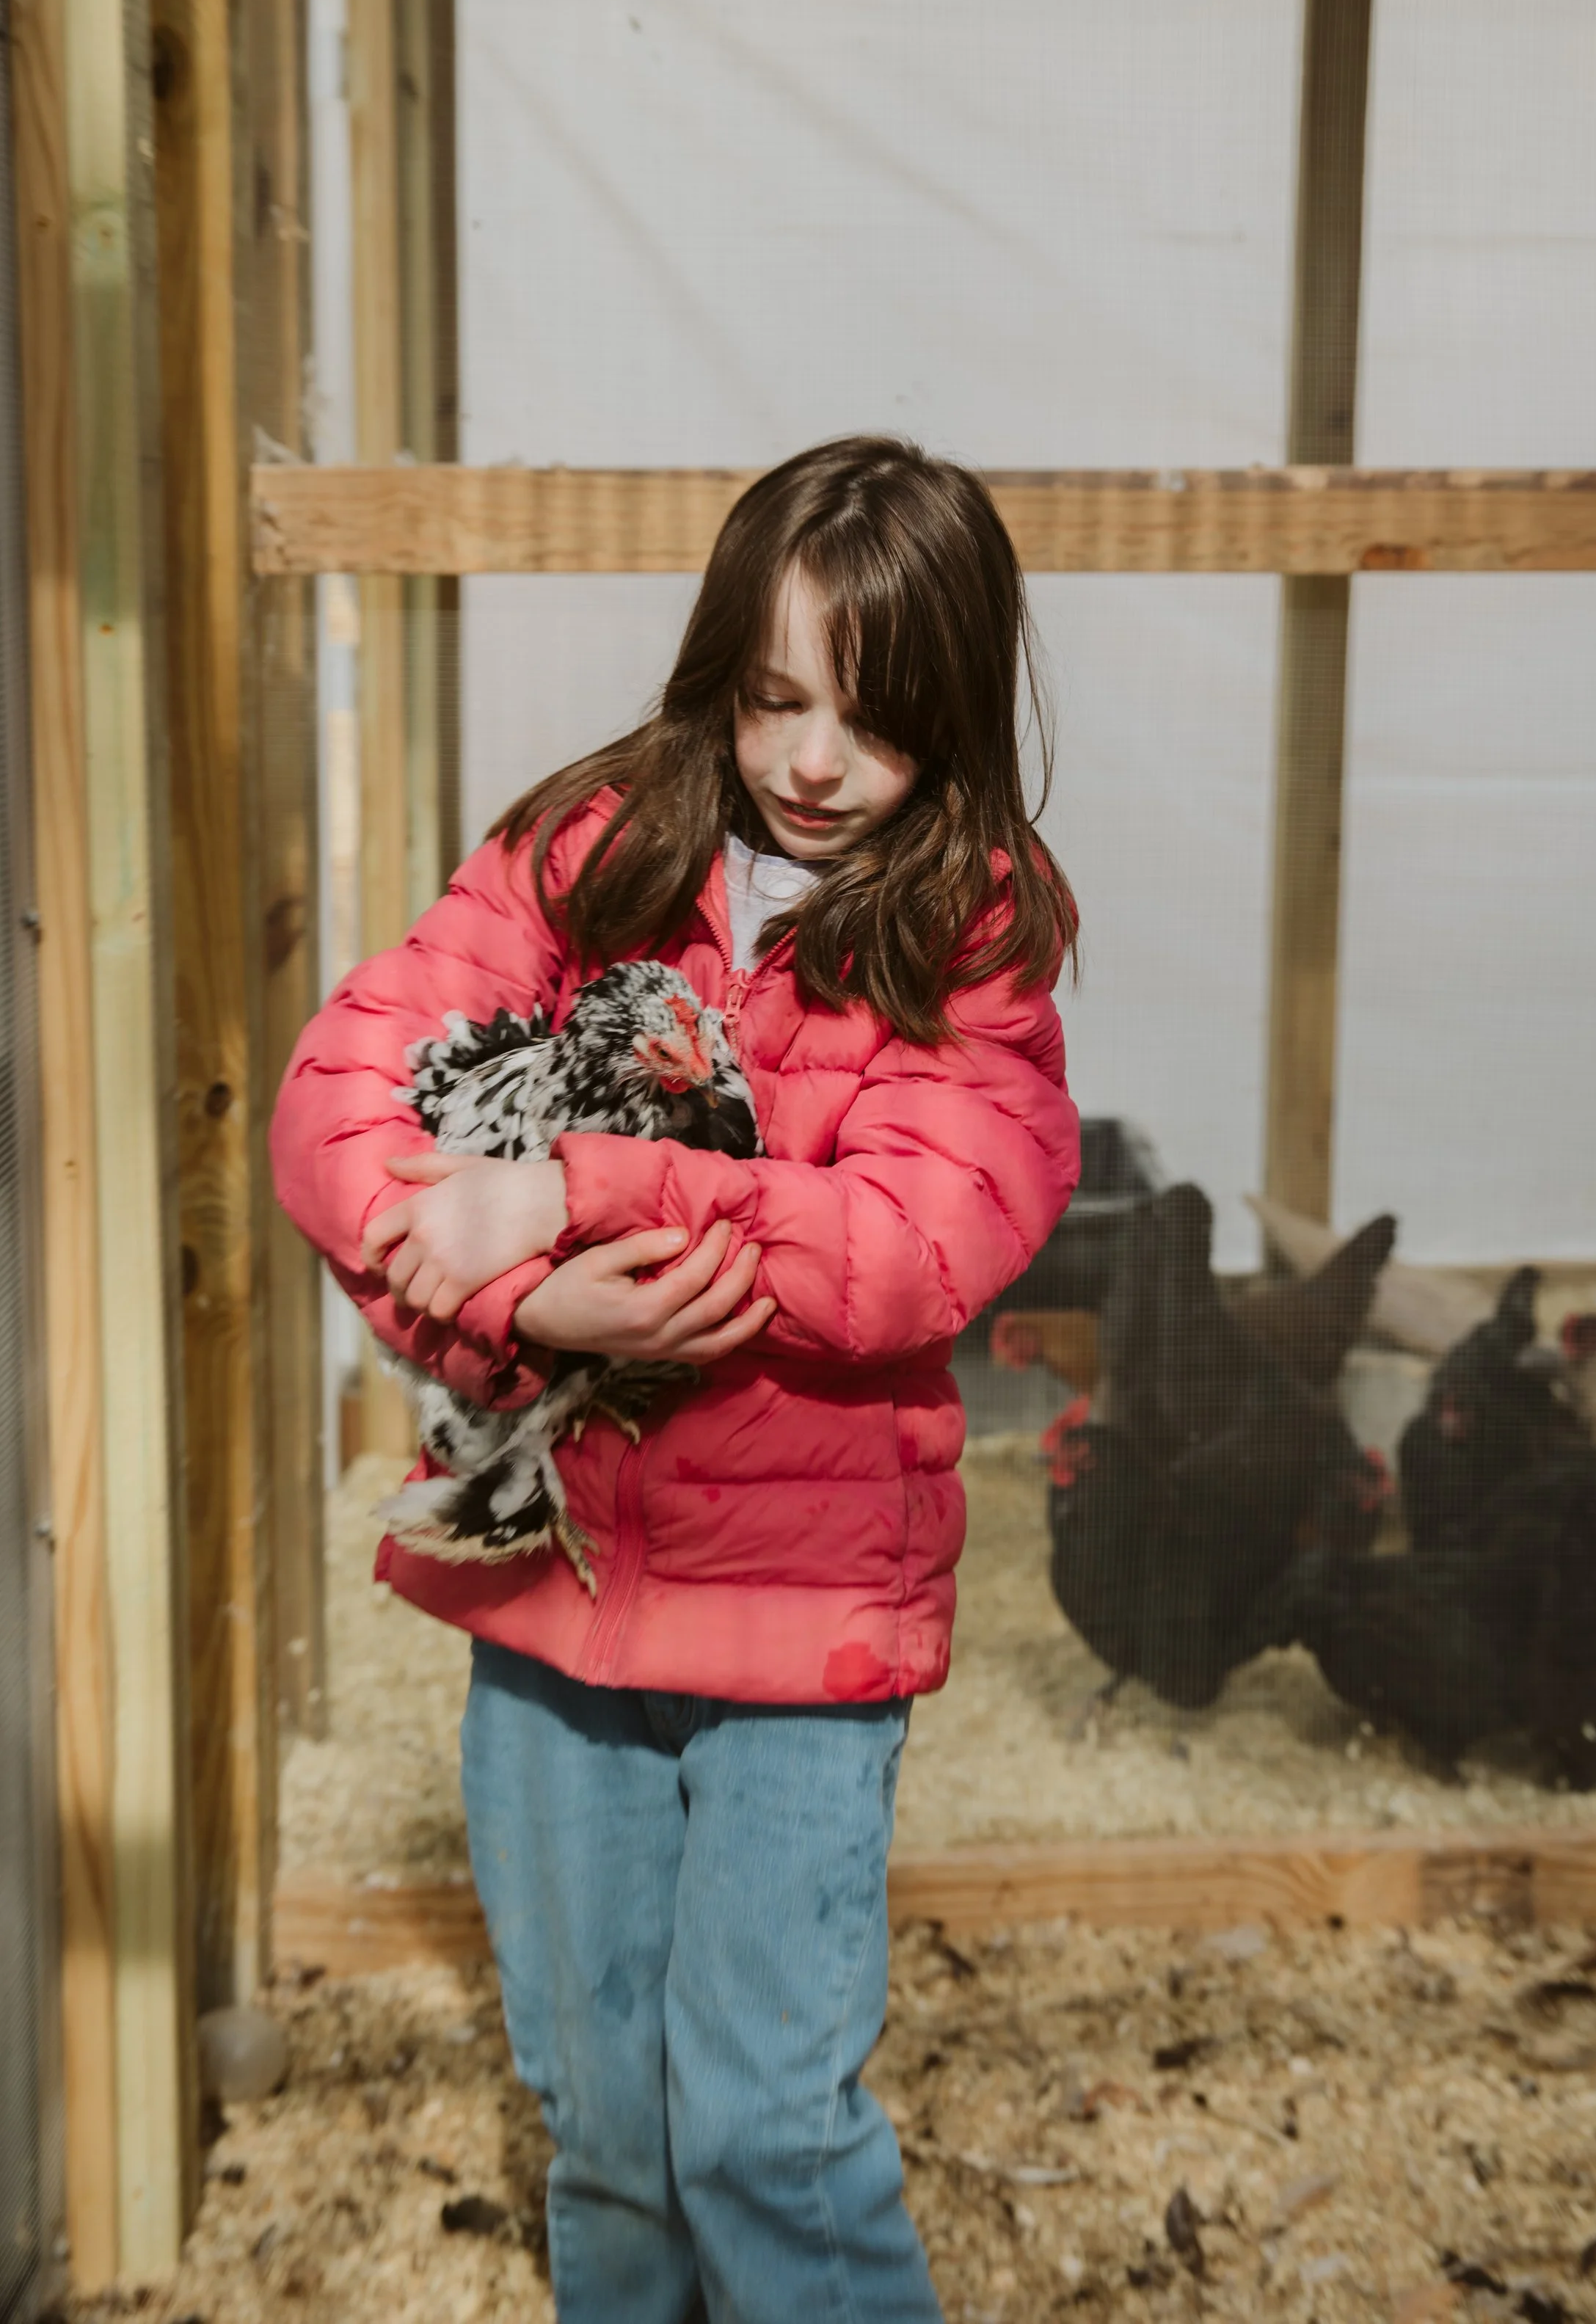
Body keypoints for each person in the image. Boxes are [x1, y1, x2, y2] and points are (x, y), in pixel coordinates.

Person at [271, 436, 1080, 2323]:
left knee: (762, 2134)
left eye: (871, 719)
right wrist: (529, 1308)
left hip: (798, 1620)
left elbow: (903, 1248)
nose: (810, 761)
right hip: (552, 1590)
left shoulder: (972, 940)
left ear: (954, 709)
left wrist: (573, 1191)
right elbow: (338, 1097)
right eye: (772, 697)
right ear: (717, 663)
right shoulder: (593, 852)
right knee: (606, 2129)